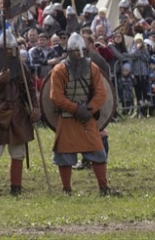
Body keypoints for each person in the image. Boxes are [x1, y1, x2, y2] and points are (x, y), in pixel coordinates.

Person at [0, 28, 39, 195]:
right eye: (7, 49)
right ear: (2, 50)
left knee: (18, 152)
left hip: (18, 114)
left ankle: (16, 189)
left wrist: (35, 107)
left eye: (13, 49)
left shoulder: (21, 67)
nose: (10, 52)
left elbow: (30, 90)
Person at [49, 32, 111, 196]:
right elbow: (56, 96)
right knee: (64, 156)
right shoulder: (60, 70)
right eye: (76, 51)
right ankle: (66, 189)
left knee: (98, 152)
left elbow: (101, 94)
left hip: (87, 118)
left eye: (81, 51)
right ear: (69, 52)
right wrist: (76, 109)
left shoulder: (92, 68)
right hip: (68, 119)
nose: (79, 55)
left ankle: (104, 188)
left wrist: (89, 109)